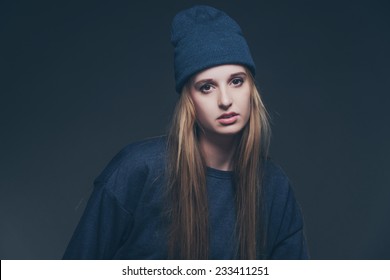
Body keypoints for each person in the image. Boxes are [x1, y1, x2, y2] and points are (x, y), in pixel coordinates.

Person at [63, 5, 309, 260]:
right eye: (206, 87)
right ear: (188, 99)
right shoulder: (137, 170)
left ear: (251, 88)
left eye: (236, 81)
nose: (225, 100)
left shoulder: (274, 186)